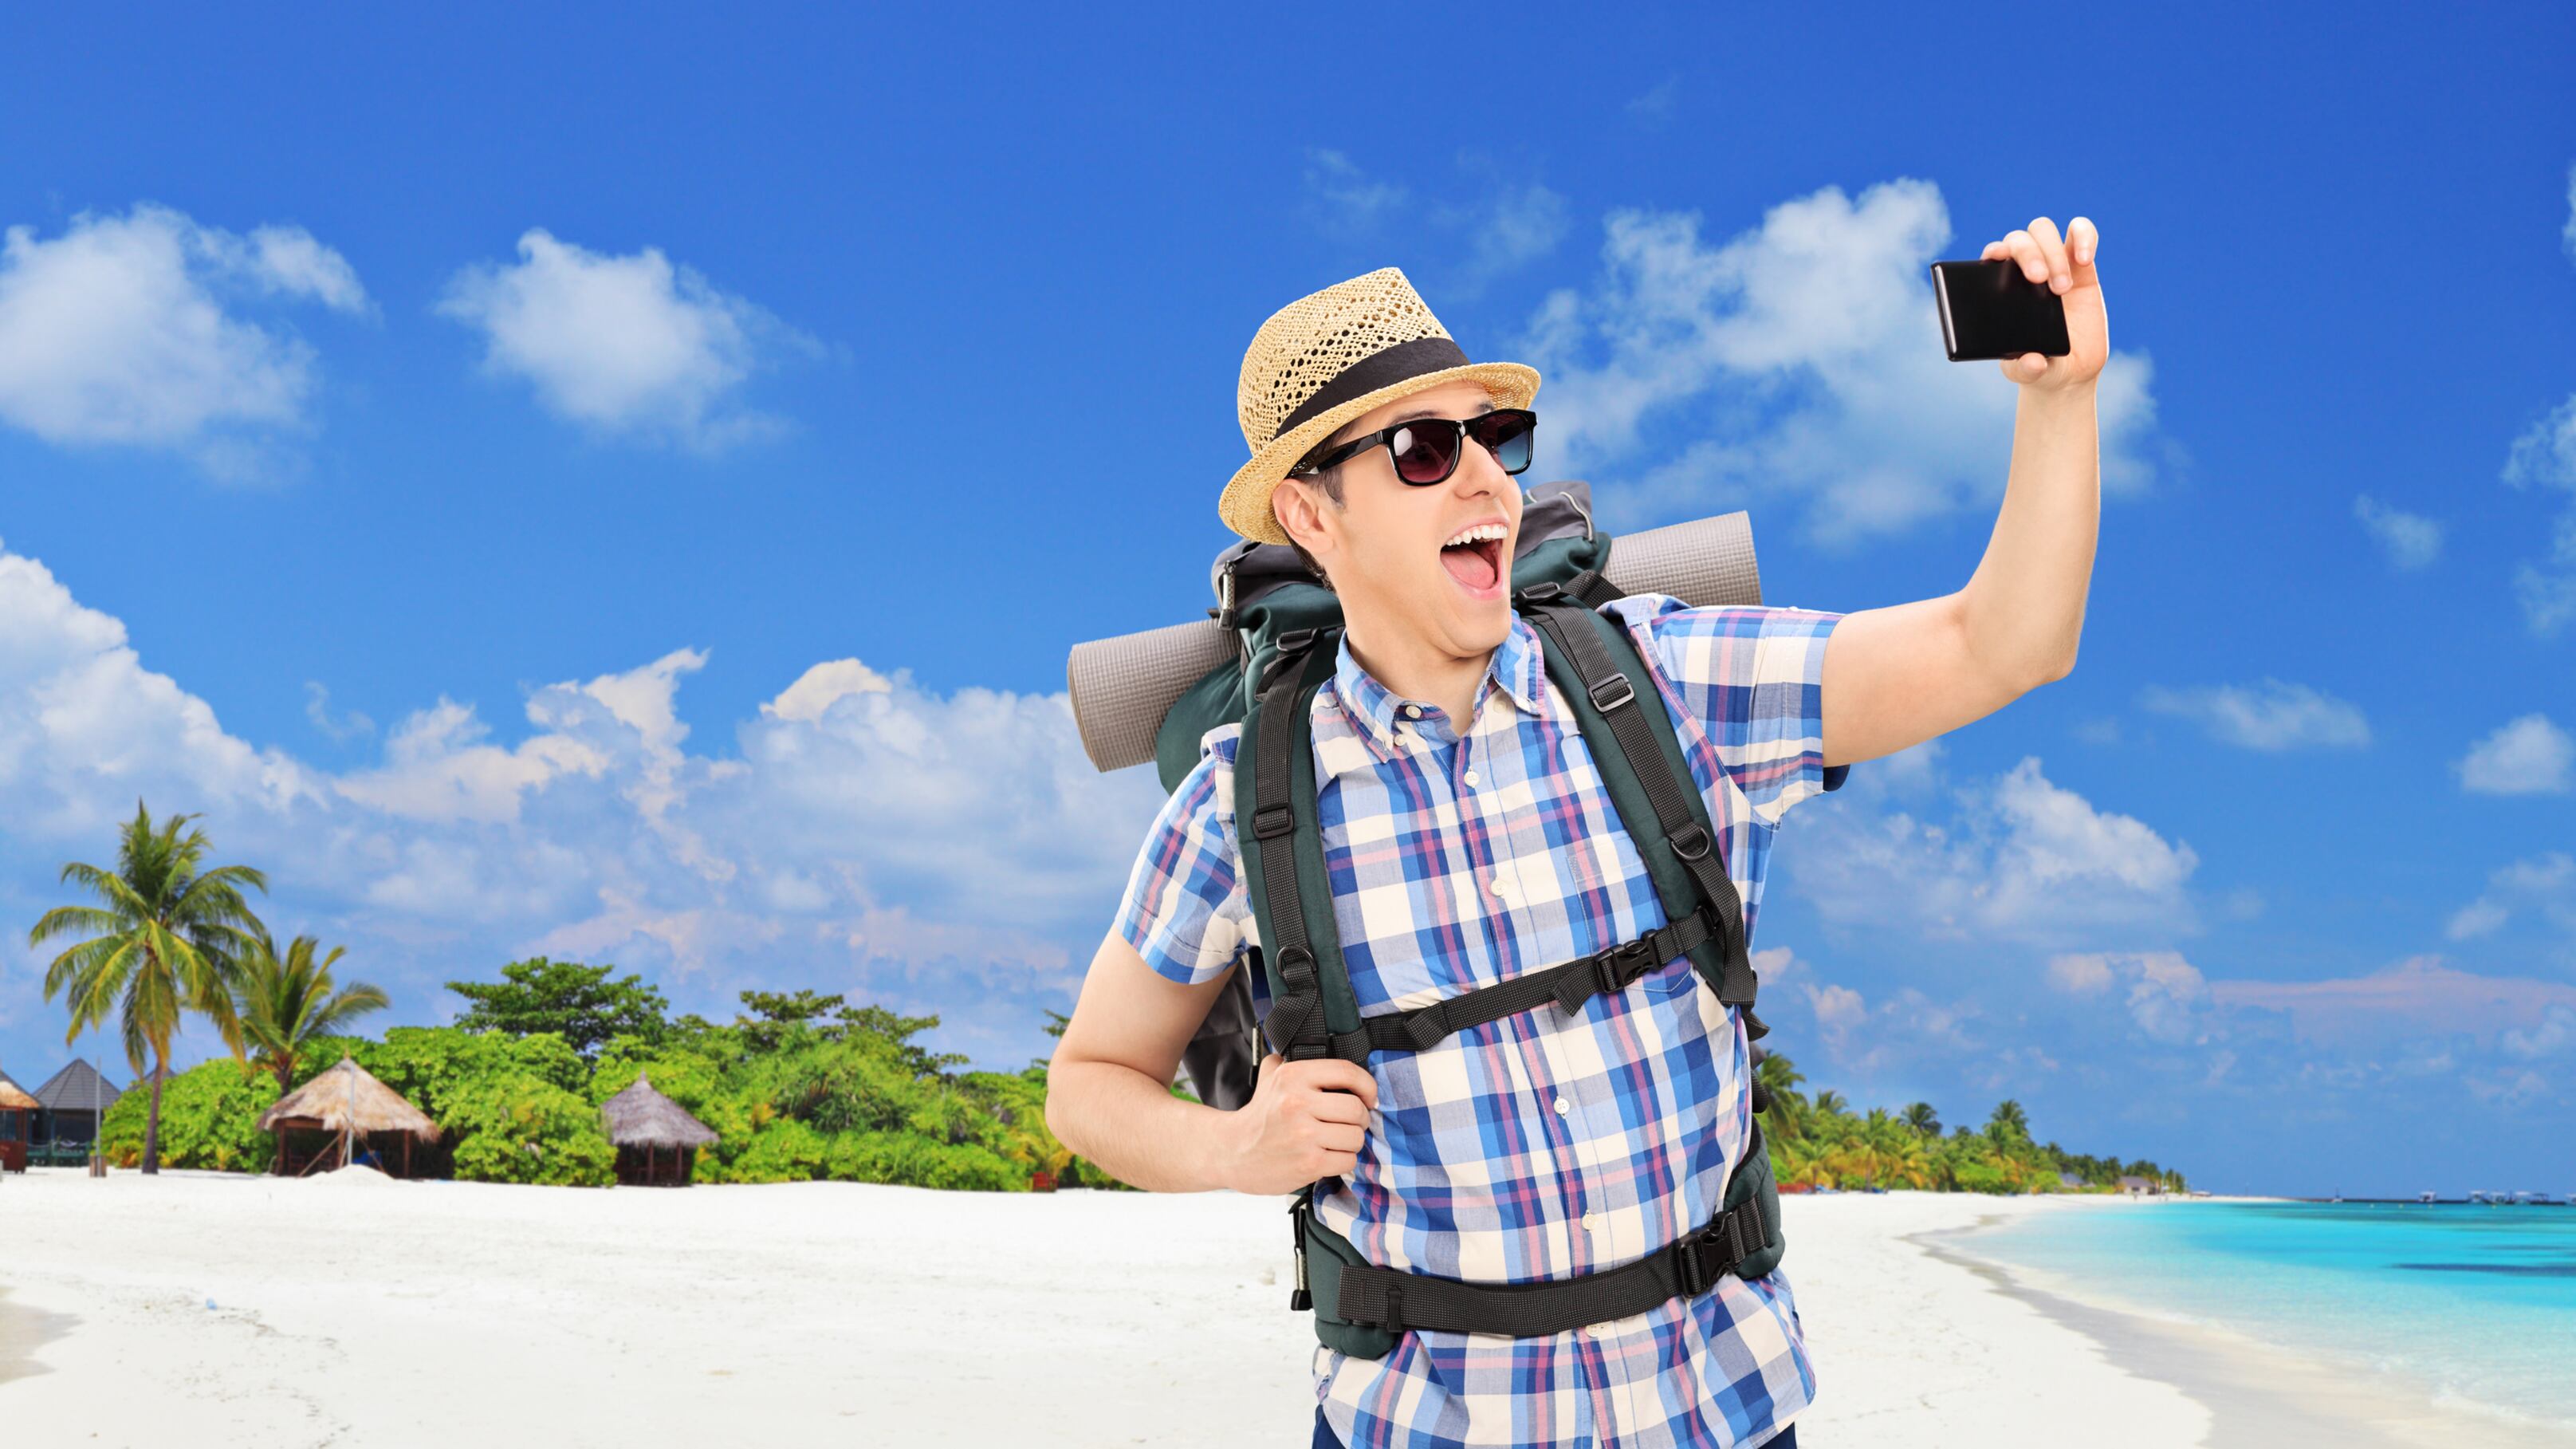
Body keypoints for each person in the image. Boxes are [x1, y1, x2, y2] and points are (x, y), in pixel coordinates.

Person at [1048, 223, 2106, 1448]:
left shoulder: (1664, 684)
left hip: (1722, 1413)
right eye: (1422, 450)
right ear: (1311, 512)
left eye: (1496, 441)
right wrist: (1236, 1147)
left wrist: (2063, 406)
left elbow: (2005, 644)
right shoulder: (1244, 803)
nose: (1488, 482)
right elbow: (1090, 1083)